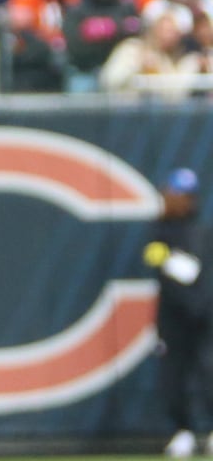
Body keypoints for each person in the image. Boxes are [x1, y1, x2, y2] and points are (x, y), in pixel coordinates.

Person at [142, 168, 213, 458]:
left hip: (206, 316)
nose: (171, 200)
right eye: (169, 194)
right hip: (173, 319)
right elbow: (160, 264)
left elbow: (203, 275)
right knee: (173, 376)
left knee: (209, 371)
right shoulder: (159, 232)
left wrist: (202, 304)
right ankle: (182, 430)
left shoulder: (203, 232)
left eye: (178, 195)